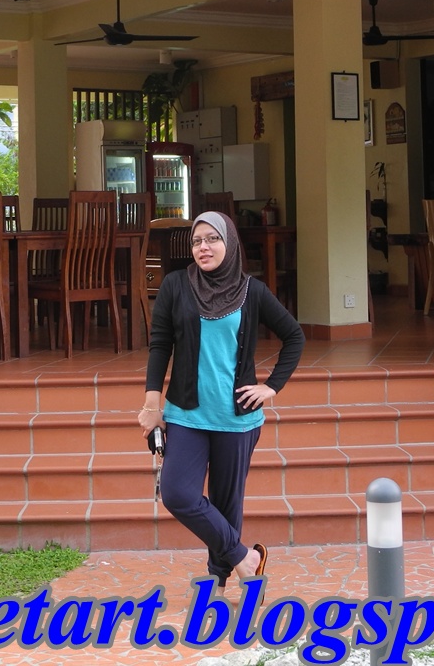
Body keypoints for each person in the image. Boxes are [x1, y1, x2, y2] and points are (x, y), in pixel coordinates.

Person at [138, 210, 304, 594]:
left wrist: (271, 387)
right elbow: (160, 345)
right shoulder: (175, 285)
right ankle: (246, 559)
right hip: (186, 414)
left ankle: (218, 582)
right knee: (177, 493)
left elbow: (294, 336)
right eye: (197, 241)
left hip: (237, 418)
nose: (204, 247)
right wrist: (152, 406)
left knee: (227, 504)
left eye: (212, 239)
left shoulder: (252, 291)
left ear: (229, 243)